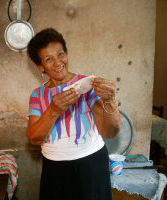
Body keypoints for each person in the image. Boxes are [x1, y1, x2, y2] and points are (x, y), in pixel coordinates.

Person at [26, 28, 121, 200]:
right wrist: (53, 110)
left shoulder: (86, 84)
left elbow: (110, 131)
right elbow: (34, 138)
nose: (58, 62)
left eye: (60, 54)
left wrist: (110, 100)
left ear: (66, 54)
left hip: (92, 164)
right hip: (55, 170)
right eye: (49, 59)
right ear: (40, 66)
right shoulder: (37, 95)